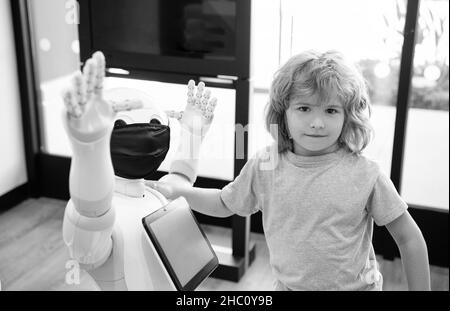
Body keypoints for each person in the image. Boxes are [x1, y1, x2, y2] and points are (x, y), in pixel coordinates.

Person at [147, 50, 431, 291]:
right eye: (304, 108)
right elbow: (225, 203)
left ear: (348, 116)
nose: (317, 122)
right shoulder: (266, 165)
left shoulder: (366, 173)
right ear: (283, 112)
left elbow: (408, 237)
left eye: (331, 110)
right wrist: (182, 191)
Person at [61, 51, 218, 290]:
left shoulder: (155, 194)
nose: (146, 135)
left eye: (155, 123)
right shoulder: (96, 212)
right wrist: (88, 154)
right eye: (121, 124)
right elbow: (89, 235)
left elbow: (180, 181)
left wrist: (193, 136)